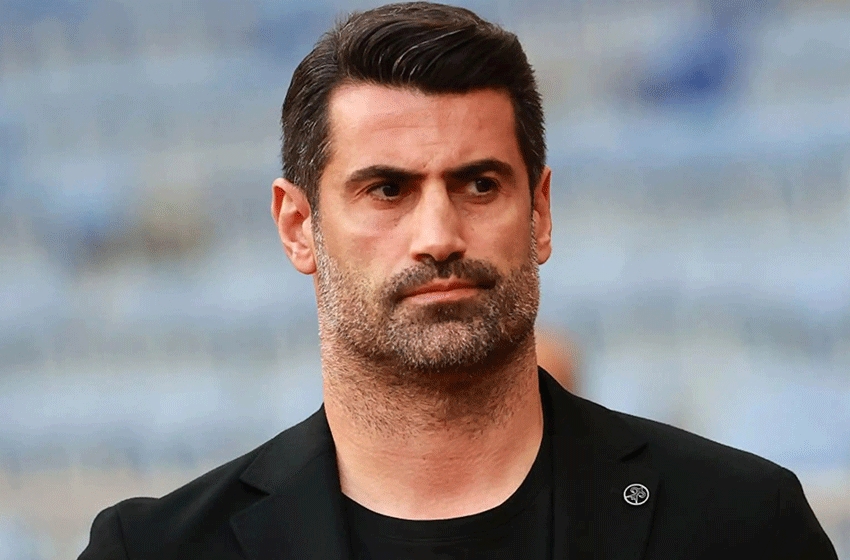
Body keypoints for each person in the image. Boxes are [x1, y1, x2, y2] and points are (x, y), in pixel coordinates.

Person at [78, 3, 838, 559]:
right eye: (387, 190)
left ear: (540, 213)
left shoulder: (742, 525)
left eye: (479, 185)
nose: (439, 236)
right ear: (298, 226)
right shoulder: (154, 551)